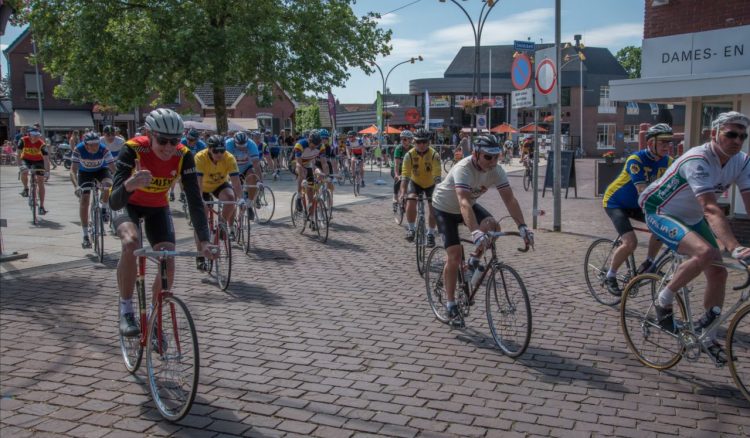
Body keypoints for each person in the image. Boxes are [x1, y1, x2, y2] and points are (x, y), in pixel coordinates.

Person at [639, 111, 750, 361]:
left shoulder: (741, 162)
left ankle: (708, 335)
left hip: (691, 217)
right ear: (714, 134)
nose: (737, 140)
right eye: (731, 134)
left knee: (718, 271)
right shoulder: (698, 159)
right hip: (660, 210)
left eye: (742, 136)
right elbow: (711, 208)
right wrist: (735, 247)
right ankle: (663, 299)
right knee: (707, 252)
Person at [109, 108, 215, 337]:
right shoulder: (132, 149)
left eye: (175, 141)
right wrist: (130, 184)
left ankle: (154, 319)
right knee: (131, 243)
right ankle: (126, 309)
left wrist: (204, 241)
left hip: (157, 206)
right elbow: (114, 201)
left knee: (169, 258)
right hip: (129, 204)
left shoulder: (183, 154)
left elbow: (195, 201)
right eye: (163, 140)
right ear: (149, 133)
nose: (169, 147)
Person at [432, 134, 534, 327]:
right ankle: (451, 303)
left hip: (467, 205)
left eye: (497, 156)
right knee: (454, 255)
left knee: (494, 226)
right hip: (445, 207)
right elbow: (463, 202)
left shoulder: (496, 170)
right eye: (488, 157)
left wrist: (522, 226)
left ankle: (472, 261)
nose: (493, 161)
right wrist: (476, 232)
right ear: (476, 154)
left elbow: (510, 199)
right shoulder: (464, 169)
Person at [601, 123, 674, 294]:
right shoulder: (636, 160)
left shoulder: (669, 161)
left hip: (637, 205)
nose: (667, 146)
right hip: (616, 203)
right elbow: (642, 191)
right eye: (663, 142)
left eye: (669, 142)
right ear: (650, 144)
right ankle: (610, 275)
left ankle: (649, 263)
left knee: (661, 226)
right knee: (630, 242)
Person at [194, 135, 242, 264]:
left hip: (219, 185)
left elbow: (236, 182)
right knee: (201, 218)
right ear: (209, 149)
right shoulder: (200, 157)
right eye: (216, 151)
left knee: (231, 198)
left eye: (222, 150)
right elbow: (197, 183)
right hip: (202, 187)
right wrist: (200, 201)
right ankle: (200, 255)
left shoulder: (229, 158)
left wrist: (242, 199)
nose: (219, 154)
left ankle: (221, 224)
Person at [71, 131, 116, 248]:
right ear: (85, 144)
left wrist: (117, 180)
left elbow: (113, 168)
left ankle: (104, 208)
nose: (95, 147)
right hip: (84, 173)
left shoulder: (104, 149)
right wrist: (76, 186)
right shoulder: (78, 149)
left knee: (107, 185)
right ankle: (85, 235)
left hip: (101, 171)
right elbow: (72, 170)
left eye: (96, 144)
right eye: (91, 145)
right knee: (84, 200)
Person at [400, 128, 441, 247]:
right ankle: (411, 228)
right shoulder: (409, 155)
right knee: (411, 199)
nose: (421, 145)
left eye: (424, 142)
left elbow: (437, 175)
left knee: (433, 206)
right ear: (414, 142)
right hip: (415, 182)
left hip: (430, 184)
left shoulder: (434, 155)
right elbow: (405, 175)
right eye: (418, 142)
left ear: (429, 142)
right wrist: (403, 192)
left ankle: (431, 234)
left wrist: (437, 192)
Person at [226, 131, 262, 217]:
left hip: (246, 166)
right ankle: (235, 212)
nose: (242, 148)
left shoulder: (251, 144)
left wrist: (260, 180)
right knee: (234, 191)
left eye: (244, 146)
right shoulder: (228, 144)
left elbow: (256, 165)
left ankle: (249, 204)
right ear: (234, 142)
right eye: (239, 146)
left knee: (252, 177)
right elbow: (224, 163)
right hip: (233, 169)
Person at [17, 127, 51, 215]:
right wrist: (19, 166)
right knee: (24, 171)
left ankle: (42, 206)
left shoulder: (42, 144)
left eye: (38, 135)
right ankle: (26, 188)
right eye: (34, 135)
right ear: (29, 135)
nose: (36, 138)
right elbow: (18, 154)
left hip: (38, 161)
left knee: (40, 181)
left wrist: (47, 172)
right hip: (26, 159)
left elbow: (46, 160)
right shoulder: (23, 140)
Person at [294, 130, 326, 216]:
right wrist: (303, 176)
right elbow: (298, 164)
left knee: (310, 189)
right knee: (302, 172)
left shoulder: (321, 146)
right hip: (297, 163)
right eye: (313, 146)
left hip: (308, 164)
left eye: (316, 146)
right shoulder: (300, 145)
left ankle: (311, 217)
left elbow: (324, 163)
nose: (314, 148)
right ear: (309, 140)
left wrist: (326, 174)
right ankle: (298, 197)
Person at [170, 129, 207, 202]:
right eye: (188, 139)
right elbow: (175, 155)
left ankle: (186, 193)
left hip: (195, 162)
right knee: (178, 176)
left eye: (191, 140)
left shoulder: (202, 145)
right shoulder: (182, 142)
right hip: (182, 160)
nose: (189, 141)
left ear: (197, 140)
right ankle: (172, 192)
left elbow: (205, 159)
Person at [392, 130, 413, 210]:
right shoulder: (399, 148)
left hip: (408, 170)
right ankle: (395, 196)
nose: (402, 141)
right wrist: (397, 174)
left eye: (405, 139)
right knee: (398, 179)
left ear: (410, 140)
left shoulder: (413, 149)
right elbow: (396, 164)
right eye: (401, 139)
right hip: (398, 169)